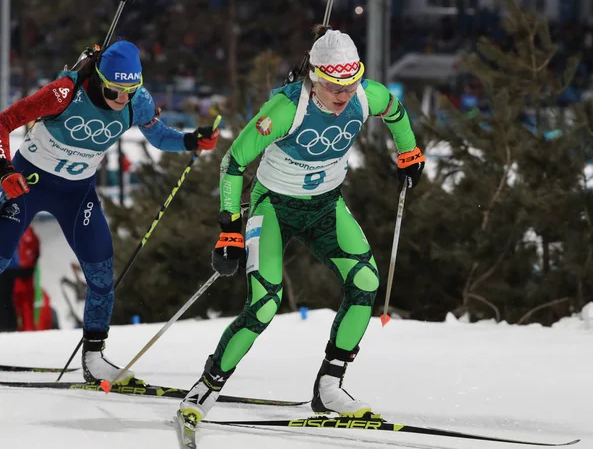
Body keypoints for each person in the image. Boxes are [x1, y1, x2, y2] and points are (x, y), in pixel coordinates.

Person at [178, 28, 425, 426]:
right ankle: (206, 387)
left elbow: (394, 108)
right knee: (264, 303)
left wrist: (409, 151)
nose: (344, 96)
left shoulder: (365, 96)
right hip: (274, 207)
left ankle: (329, 386)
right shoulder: (284, 109)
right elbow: (233, 164)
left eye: (351, 83)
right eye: (333, 87)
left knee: (365, 283)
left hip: (326, 205)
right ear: (315, 78)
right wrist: (229, 229)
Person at [0, 40, 219, 383]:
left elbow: (159, 136)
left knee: (102, 275)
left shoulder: (138, 101)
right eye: (115, 90)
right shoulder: (64, 93)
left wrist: (191, 140)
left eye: (130, 91)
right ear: (99, 78)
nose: (122, 100)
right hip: (30, 183)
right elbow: (4, 121)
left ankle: (94, 357)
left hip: (77, 194)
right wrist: (4, 170)